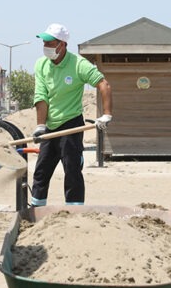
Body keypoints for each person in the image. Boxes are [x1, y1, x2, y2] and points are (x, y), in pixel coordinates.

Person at [30, 23, 113, 206]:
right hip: (51, 126)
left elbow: (103, 84)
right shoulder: (41, 64)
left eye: (50, 43)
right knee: (41, 171)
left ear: (62, 45)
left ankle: (75, 213)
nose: (46, 47)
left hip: (71, 125)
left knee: (72, 170)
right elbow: (41, 97)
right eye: (45, 42)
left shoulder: (78, 64)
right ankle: (35, 210)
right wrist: (40, 126)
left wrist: (106, 115)